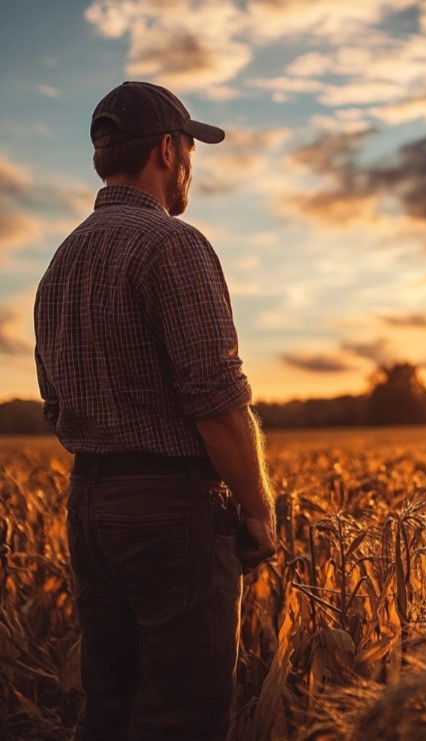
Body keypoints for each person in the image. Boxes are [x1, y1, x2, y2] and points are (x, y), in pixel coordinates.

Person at [33, 81, 277, 741]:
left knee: (108, 707)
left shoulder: (61, 263)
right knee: (183, 717)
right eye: (190, 147)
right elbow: (217, 400)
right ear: (169, 151)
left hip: (89, 504)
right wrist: (256, 507)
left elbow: (55, 403)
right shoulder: (174, 244)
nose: (190, 163)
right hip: (170, 509)